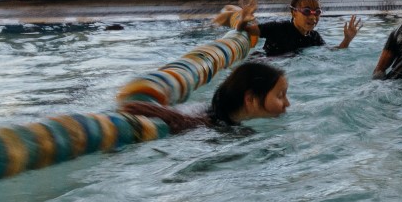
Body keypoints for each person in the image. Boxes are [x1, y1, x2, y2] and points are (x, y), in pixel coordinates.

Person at [118, 60, 290, 134]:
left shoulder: (205, 111)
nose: (287, 103)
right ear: (250, 99)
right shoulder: (236, 133)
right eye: (280, 95)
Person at [214, 0, 361, 56]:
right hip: (266, 62)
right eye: (306, 11)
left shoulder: (314, 37)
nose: (313, 16)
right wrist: (244, 20)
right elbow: (243, 30)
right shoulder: (277, 28)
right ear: (293, 13)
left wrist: (347, 39)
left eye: (317, 12)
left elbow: (331, 53)